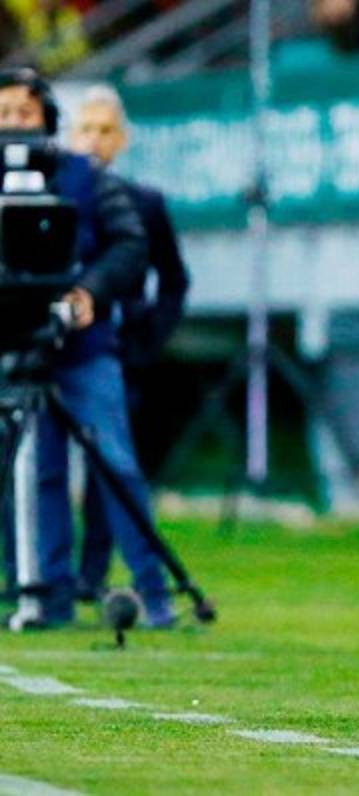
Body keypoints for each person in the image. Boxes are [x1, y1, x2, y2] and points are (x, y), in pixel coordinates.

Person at [0, 67, 173, 627]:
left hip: (83, 348)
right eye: (3, 115)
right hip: (13, 349)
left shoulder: (84, 176)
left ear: (47, 119)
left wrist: (89, 291)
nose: (14, 124)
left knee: (115, 465)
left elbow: (130, 245)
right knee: (36, 474)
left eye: (24, 113)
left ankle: (153, 593)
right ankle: (45, 594)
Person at [68, 83, 191, 603]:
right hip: (62, 346)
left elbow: (173, 281)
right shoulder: (57, 196)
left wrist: (149, 340)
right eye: (86, 129)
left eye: (105, 131)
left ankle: (99, 573)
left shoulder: (146, 204)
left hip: (121, 351)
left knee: (112, 465)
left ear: (122, 139)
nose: (94, 141)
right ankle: (46, 577)